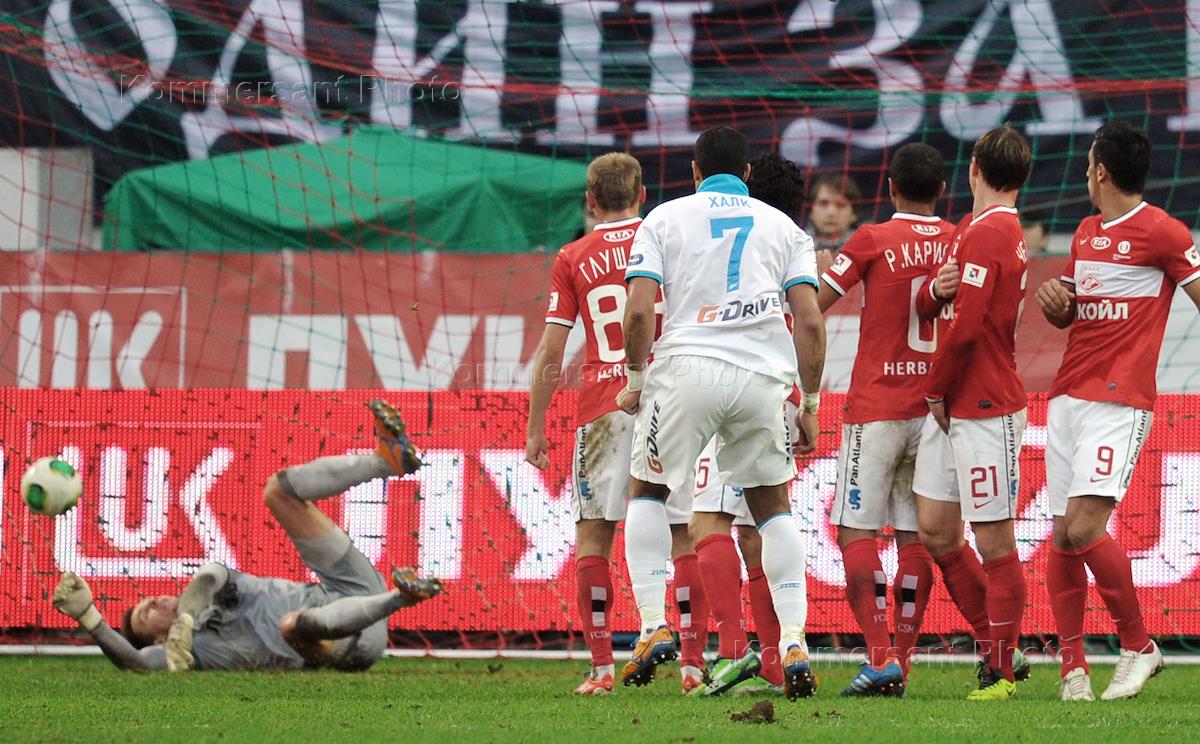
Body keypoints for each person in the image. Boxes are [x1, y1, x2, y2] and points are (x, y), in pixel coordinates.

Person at [617, 126, 826, 701]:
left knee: (647, 491)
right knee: (772, 508)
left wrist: (636, 380)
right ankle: (793, 641)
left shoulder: (663, 218)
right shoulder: (786, 229)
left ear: (694, 171)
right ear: (748, 175)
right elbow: (809, 321)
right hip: (761, 377)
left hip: (687, 370)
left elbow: (639, 311)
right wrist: (809, 403)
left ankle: (652, 624)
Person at [51, 400, 443, 672]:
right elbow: (134, 663)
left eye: (149, 601)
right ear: (156, 640)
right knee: (292, 626)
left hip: (351, 588)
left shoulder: (212, 593)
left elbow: (211, 573)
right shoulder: (196, 652)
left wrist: (186, 616)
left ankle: (383, 461)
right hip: (344, 646)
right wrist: (90, 618)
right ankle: (400, 598)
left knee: (278, 492)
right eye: (145, 613)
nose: (155, 600)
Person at [525, 152, 706, 695]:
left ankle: (602, 668)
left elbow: (552, 350)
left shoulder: (573, 255)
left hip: (605, 406)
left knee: (594, 535)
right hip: (671, 397)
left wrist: (536, 426)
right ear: (642, 194)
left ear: (589, 200)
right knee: (683, 532)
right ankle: (693, 666)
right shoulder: (668, 237)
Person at [1036, 121, 1200, 701]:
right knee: (1062, 536)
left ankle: (1138, 645)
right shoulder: (1085, 232)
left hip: (1119, 401)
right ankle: (1073, 669)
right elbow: (1072, 313)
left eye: (1087, 164)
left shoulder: (1165, 232)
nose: (1085, 173)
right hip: (1067, 397)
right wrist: (1057, 304)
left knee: (1085, 527)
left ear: (1100, 171)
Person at [815, 142, 952, 696]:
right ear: (941, 190)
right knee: (915, 537)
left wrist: (812, 276)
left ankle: (878, 656)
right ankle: (903, 659)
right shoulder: (959, 241)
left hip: (876, 408)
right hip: (936, 410)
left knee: (857, 530)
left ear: (890, 188)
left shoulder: (872, 238)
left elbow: (813, 305)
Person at [913, 125, 1032, 701]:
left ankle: (1001, 672)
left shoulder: (992, 232)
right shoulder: (972, 228)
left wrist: (935, 391)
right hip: (958, 403)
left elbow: (964, 331)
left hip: (984, 404)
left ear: (975, 169)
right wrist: (935, 291)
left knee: (995, 542)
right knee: (937, 531)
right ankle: (999, 645)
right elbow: (939, 305)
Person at [684, 151, 805, 697]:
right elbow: (810, 319)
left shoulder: (735, 244)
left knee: (707, 523)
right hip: (781, 390)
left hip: (729, 385)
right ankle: (780, 658)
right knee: (761, 529)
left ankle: (734, 653)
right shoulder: (795, 245)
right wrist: (809, 400)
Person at [806, 173, 862, 254]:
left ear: (854, 213)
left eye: (840, 205)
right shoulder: (796, 244)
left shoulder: (864, 248)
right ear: (811, 211)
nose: (831, 212)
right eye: (823, 203)